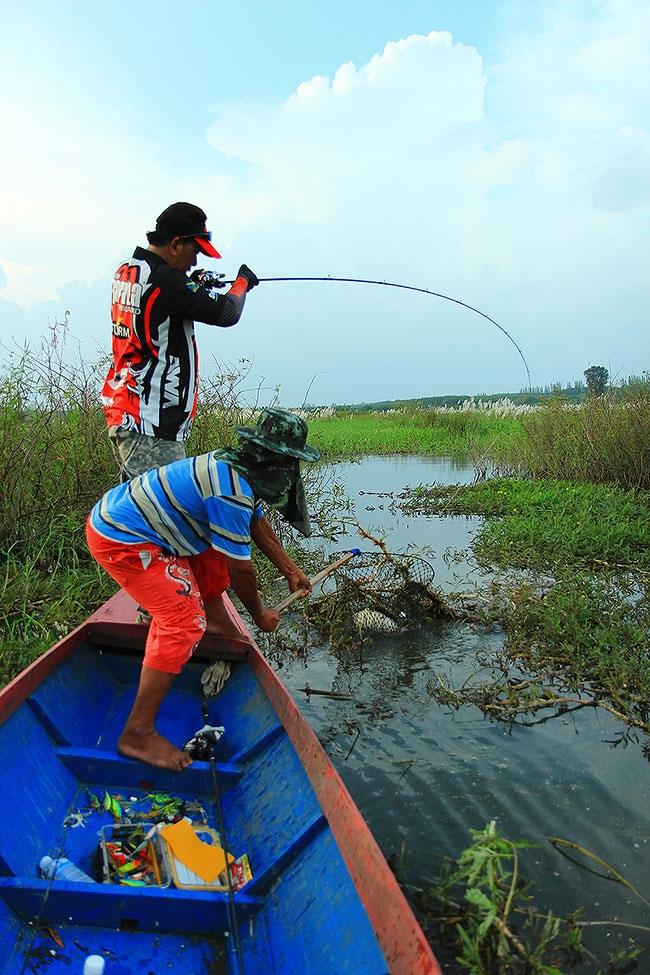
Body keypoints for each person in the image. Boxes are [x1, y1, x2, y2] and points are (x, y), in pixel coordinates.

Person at [86, 409, 319, 771]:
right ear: (274, 457)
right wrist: (259, 616)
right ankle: (138, 732)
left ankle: (218, 621)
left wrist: (290, 570)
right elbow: (240, 568)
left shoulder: (242, 471)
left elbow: (256, 521)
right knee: (182, 622)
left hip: (143, 526)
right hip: (122, 538)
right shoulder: (231, 487)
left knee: (213, 550)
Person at [101, 201, 259, 480]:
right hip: (151, 424)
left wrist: (194, 283)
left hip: (127, 410)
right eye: (195, 251)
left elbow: (165, 301)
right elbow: (228, 311)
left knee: (146, 511)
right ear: (175, 244)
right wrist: (242, 282)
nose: (195, 261)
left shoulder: (128, 270)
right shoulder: (166, 282)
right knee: (161, 518)